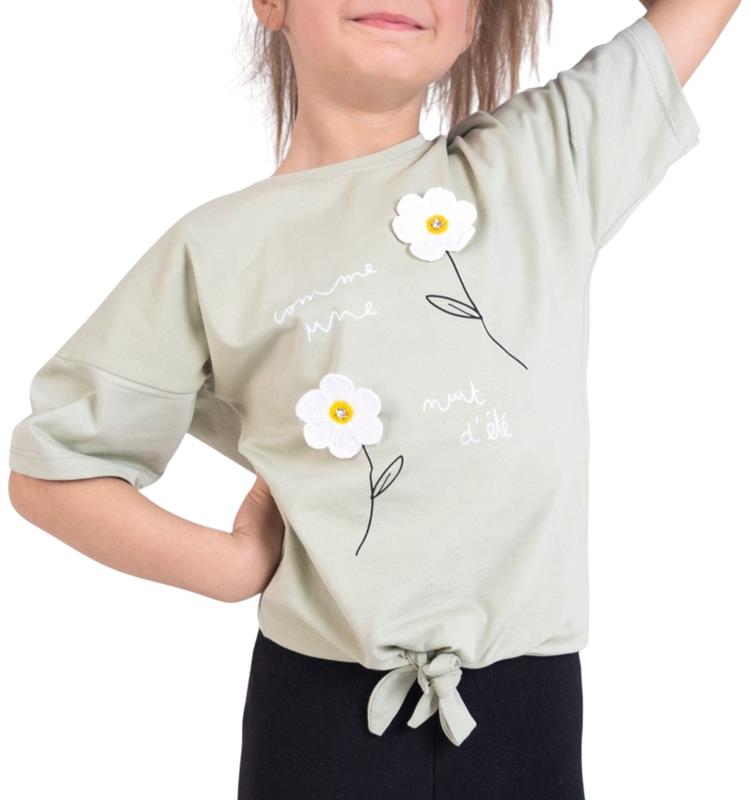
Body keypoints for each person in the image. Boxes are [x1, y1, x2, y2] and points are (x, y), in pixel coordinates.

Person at [7, 1, 740, 798]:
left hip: (529, 709)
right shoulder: (215, 249)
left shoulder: (542, 161)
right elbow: (55, 467)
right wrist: (227, 566)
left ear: (474, 18)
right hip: (317, 716)